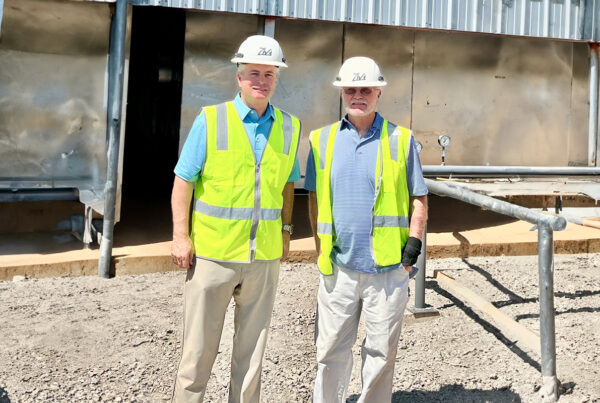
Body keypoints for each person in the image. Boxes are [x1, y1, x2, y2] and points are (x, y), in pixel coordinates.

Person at [170, 35, 301, 403]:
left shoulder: (290, 127)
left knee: (251, 358)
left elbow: (288, 185)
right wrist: (181, 236)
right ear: (238, 77)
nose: (261, 80)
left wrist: (287, 230)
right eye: (254, 73)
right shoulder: (210, 120)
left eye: (269, 74)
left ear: (277, 79)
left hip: (264, 260)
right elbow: (184, 180)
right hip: (214, 255)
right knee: (196, 355)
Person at [305, 56, 428, 402]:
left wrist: (412, 250)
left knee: (380, 355)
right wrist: (320, 249)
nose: (358, 95)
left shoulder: (401, 140)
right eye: (351, 89)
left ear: (379, 93)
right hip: (339, 269)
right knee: (329, 351)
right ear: (342, 91)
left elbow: (419, 198)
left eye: (366, 89)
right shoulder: (321, 140)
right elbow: (314, 200)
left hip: (388, 272)